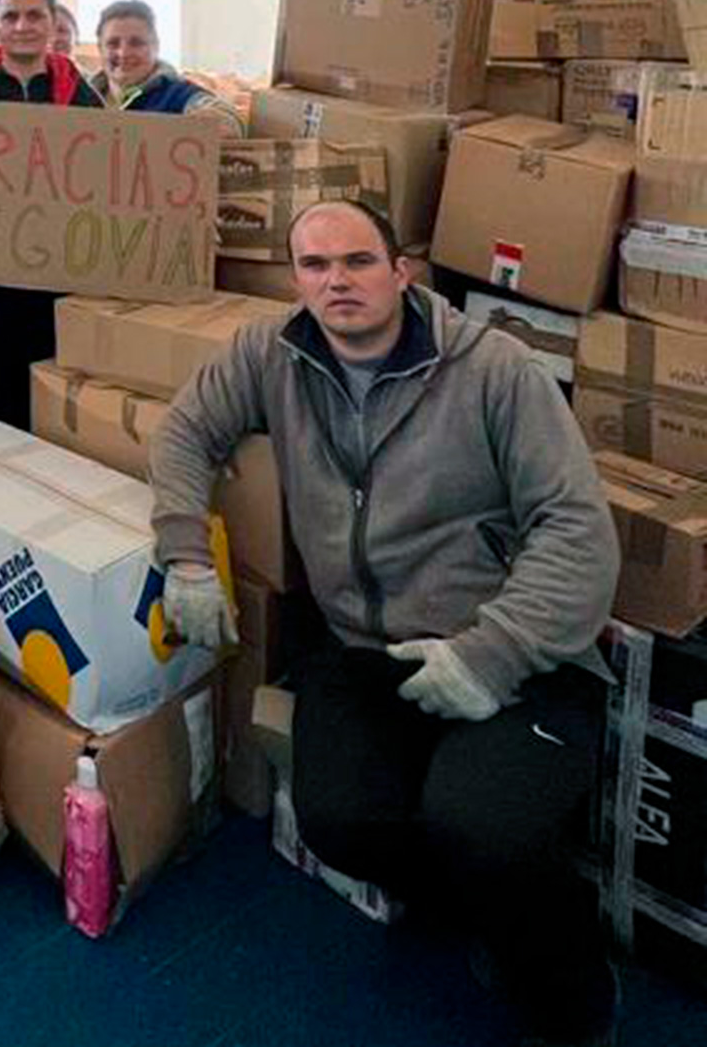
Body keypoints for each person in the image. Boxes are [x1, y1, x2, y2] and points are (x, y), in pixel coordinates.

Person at [150, 199, 620, 1047]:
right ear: (296, 280)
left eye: (358, 261)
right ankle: (478, 908)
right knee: (338, 821)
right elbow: (185, 431)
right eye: (315, 265)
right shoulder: (272, 354)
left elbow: (578, 529)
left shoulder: (495, 371)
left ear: (402, 271)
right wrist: (185, 554)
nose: (337, 281)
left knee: (484, 826)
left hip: (516, 654)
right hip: (365, 650)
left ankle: (573, 998)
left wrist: (491, 656)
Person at [0, 0, 102, 434]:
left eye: (35, 15)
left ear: (53, 21)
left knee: (50, 412)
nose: (23, 26)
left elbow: (109, 183)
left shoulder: (84, 98)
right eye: (10, 16)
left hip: (58, 286)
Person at [90, 0, 242, 137]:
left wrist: (193, 124)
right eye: (113, 43)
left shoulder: (178, 94)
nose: (123, 53)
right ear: (100, 48)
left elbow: (229, 122)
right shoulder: (83, 96)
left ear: (156, 46)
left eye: (136, 43)